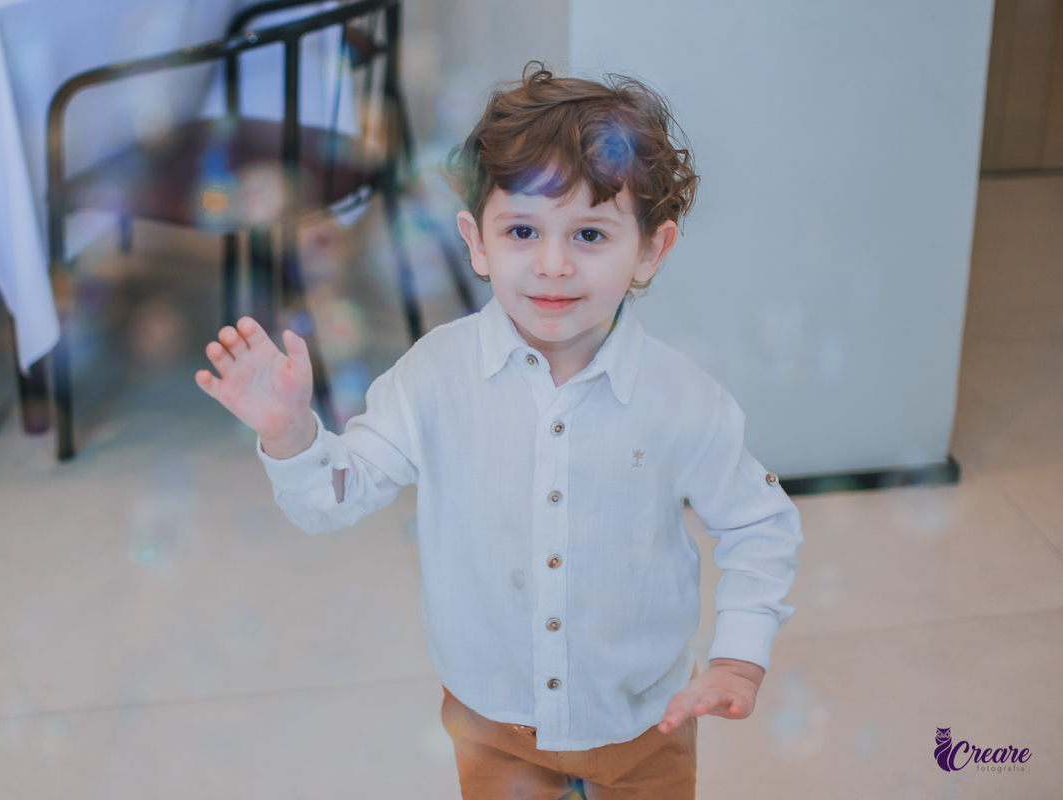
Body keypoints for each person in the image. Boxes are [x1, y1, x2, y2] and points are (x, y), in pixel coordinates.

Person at [195, 64, 802, 799]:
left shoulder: (681, 400)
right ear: (476, 242)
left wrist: (740, 656)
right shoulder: (434, 376)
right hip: (491, 721)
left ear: (650, 248)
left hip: (645, 722)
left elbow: (759, 525)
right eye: (521, 230)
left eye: (589, 233)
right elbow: (336, 496)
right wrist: (292, 434)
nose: (552, 264)